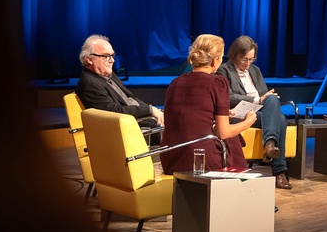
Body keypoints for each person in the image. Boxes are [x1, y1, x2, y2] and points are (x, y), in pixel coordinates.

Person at [159, 34, 256, 174]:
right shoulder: (217, 82)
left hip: (170, 158)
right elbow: (224, 132)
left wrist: (216, 115)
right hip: (199, 159)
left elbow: (188, 118)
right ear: (215, 60)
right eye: (221, 57)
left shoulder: (175, 82)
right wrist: (248, 121)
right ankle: (240, 186)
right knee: (231, 139)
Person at [216, 35, 293, 190]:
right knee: (281, 119)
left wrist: (265, 98)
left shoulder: (255, 71)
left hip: (260, 114)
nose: (248, 63)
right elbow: (228, 98)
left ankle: (270, 145)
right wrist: (258, 100)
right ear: (235, 55)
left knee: (272, 101)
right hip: (239, 116)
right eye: (245, 59)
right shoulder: (223, 70)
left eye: (252, 59)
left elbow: (265, 98)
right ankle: (279, 171)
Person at [75, 34, 165, 129]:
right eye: (105, 56)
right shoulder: (90, 84)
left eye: (112, 55)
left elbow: (131, 98)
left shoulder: (107, 74)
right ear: (89, 60)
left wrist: (153, 110)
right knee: (177, 130)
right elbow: (115, 113)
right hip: (131, 129)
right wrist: (149, 110)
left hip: (141, 119)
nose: (112, 60)